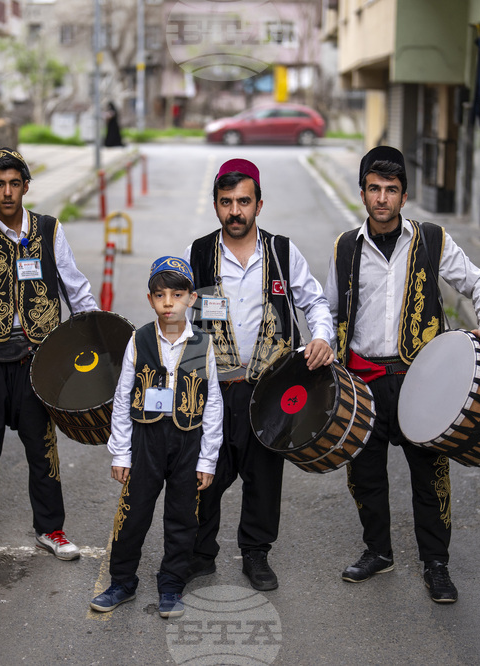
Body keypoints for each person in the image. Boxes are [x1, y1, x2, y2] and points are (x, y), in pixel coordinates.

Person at [323, 146, 480, 603]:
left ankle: (436, 565)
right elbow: (327, 307)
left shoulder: (433, 240)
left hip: (420, 379)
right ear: (362, 192)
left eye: (392, 190)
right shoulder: (346, 246)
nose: (382, 198)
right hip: (361, 380)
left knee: (430, 473)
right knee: (364, 474)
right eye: (374, 189)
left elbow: (478, 282)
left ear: (405, 196)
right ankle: (378, 551)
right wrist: (323, 340)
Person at [184, 158, 335, 591]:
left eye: (244, 202)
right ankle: (199, 553)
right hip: (217, 388)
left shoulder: (283, 252)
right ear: (216, 205)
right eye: (227, 202)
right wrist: (191, 384)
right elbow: (186, 321)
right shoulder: (199, 253)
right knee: (206, 471)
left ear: (259, 204)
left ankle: (256, 554)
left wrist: (322, 337)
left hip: (270, 389)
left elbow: (315, 302)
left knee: (264, 476)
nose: (236, 211)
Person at [0, 147, 99, 561]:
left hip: (38, 359)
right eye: (0, 185)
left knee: (42, 446)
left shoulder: (49, 230)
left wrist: (95, 336)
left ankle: (51, 529)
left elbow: (75, 287)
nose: (8, 192)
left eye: (15, 183)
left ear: (26, 187)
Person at [90, 257, 222, 619]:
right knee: (133, 514)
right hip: (146, 440)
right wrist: (120, 453)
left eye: (177, 295)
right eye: (160, 295)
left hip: (187, 442)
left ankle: (171, 586)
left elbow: (213, 405)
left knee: (182, 518)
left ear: (191, 298)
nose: (168, 303)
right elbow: (122, 397)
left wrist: (207, 459)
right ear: (150, 299)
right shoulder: (140, 339)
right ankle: (121, 581)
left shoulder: (203, 344)